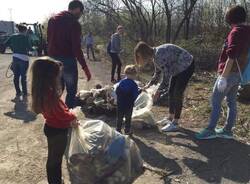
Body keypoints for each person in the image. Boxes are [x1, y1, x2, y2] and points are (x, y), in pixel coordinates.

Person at [196, 6, 250, 140]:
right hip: (239, 73)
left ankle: (210, 130)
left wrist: (223, 78)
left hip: (229, 73)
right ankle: (227, 130)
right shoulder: (248, 30)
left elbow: (231, 55)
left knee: (215, 100)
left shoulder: (236, 32)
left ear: (231, 18)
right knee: (232, 101)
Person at [31, 57, 79, 184]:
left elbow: (60, 109)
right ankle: (55, 181)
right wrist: (73, 116)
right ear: (49, 76)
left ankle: (54, 180)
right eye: (57, 75)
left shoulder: (42, 91)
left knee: (53, 158)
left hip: (51, 127)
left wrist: (68, 112)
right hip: (58, 131)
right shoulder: (50, 94)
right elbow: (62, 114)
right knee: (56, 160)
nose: (59, 77)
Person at [134, 41, 195, 132]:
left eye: (140, 56)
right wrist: (148, 85)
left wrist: (158, 91)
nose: (140, 59)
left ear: (145, 53)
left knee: (177, 93)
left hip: (186, 65)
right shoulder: (155, 55)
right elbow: (157, 73)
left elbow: (166, 77)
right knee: (171, 91)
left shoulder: (159, 55)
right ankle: (170, 118)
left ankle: (175, 123)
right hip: (176, 67)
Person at [47, 0, 91, 108]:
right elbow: (76, 48)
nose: (80, 15)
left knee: (56, 89)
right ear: (76, 9)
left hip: (53, 60)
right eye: (81, 12)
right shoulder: (74, 23)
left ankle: (53, 116)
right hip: (67, 61)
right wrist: (85, 68)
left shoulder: (52, 20)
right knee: (71, 91)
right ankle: (68, 118)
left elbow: (48, 41)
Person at [5, 24, 32, 101]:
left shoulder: (13, 36)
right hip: (24, 58)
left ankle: (18, 92)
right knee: (23, 76)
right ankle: (25, 92)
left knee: (16, 76)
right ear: (24, 30)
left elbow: (5, 43)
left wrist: (13, 47)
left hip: (15, 58)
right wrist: (33, 49)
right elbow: (29, 47)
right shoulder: (25, 37)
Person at [115, 65, 141, 135]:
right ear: (134, 75)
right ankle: (127, 130)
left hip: (120, 103)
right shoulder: (134, 84)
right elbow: (135, 95)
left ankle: (118, 130)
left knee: (119, 117)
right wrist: (140, 91)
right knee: (128, 118)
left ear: (125, 74)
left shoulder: (121, 82)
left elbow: (117, 91)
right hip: (129, 104)